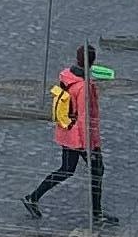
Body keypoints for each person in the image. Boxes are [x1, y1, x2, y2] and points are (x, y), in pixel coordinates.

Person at [25, 46, 111, 227]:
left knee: (66, 170)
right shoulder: (83, 87)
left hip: (67, 131)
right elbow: (84, 117)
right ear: (92, 62)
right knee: (97, 171)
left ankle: (33, 197)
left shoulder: (67, 77)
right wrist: (88, 145)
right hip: (81, 138)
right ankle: (97, 214)